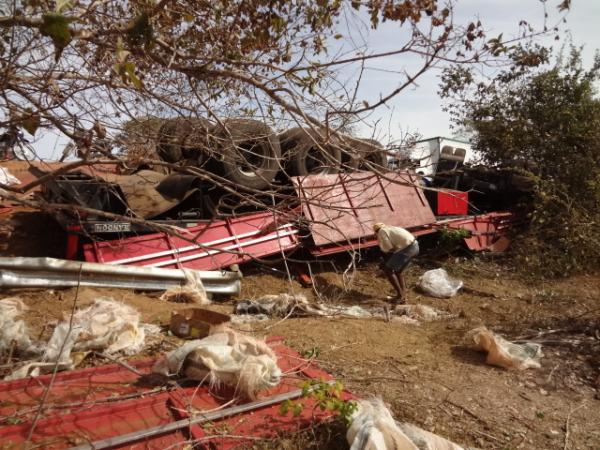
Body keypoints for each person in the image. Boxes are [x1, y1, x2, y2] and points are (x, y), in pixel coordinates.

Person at [373, 222, 419, 304]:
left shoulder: (381, 231)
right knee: (398, 271)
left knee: (388, 270)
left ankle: (400, 296)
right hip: (415, 246)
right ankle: (403, 295)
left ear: (376, 231)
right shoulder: (391, 228)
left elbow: (389, 247)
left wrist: (386, 262)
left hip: (407, 249)